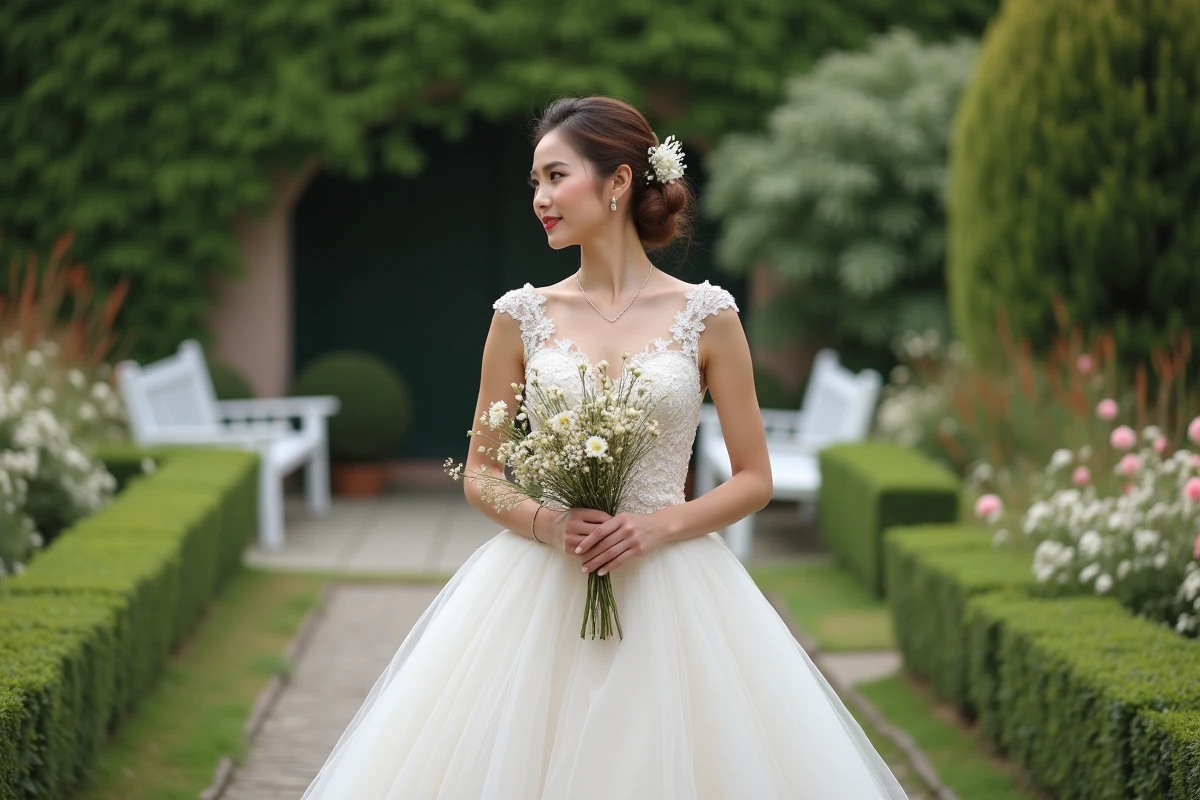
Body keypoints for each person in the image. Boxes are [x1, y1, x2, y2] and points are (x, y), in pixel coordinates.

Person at [301, 95, 909, 799]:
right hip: (538, 590)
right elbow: (481, 473)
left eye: (556, 176)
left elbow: (753, 478)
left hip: (675, 590)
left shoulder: (708, 317)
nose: (540, 198)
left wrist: (656, 526)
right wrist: (550, 523)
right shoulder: (519, 316)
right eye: (534, 181)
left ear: (618, 182)